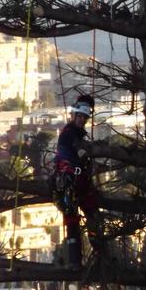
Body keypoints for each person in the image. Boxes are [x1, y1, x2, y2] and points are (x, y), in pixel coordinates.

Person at [51, 95, 99, 270]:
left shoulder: (78, 134)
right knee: (72, 220)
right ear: (74, 116)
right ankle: (75, 261)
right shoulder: (68, 133)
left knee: (93, 216)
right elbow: (71, 146)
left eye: (84, 118)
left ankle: (98, 255)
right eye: (79, 116)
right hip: (69, 182)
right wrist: (81, 151)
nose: (81, 120)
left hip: (80, 182)